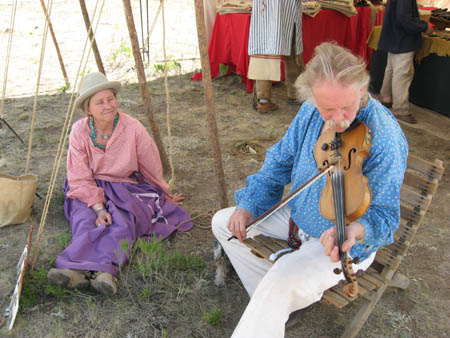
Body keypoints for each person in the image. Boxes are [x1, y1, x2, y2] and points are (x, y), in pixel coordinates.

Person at [212, 42, 408, 337]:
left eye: (348, 106)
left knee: (282, 281)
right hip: (297, 217)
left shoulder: (385, 137)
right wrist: (248, 205)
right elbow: (279, 160)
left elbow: (385, 216)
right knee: (224, 223)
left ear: (362, 88)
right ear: (312, 98)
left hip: (339, 239)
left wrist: (354, 231)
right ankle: (272, 299)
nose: (339, 119)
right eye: (328, 109)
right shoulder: (309, 112)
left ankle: (277, 295)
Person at [47, 72, 193, 296]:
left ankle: (104, 272)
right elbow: (78, 175)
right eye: (100, 102)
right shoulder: (79, 131)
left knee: (122, 221)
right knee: (84, 218)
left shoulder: (132, 127)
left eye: (111, 99)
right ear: (88, 109)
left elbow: (150, 164)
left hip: (124, 185)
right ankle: (75, 271)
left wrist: (164, 192)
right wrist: (98, 206)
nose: (108, 105)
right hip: (88, 186)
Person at [378, 0, 433, 124]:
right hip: (402, 38)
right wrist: (424, 27)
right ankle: (400, 110)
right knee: (402, 73)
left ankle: (386, 97)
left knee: (391, 69)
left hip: (396, 36)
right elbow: (404, 19)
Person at [248, 0, 304, 113]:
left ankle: (263, 99)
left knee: (264, 48)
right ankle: (295, 94)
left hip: (266, 12)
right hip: (286, 11)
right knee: (290, 51)